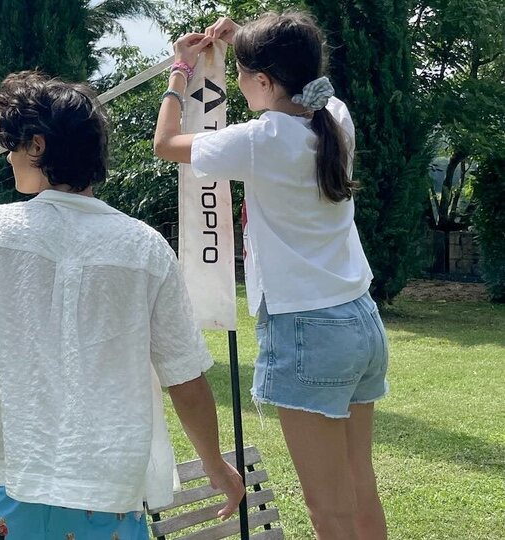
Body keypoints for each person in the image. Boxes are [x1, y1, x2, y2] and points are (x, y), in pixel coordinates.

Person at [0, 71, 245, 540]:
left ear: (37, 145)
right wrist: (216, 465)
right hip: (111, 495)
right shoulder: (147, 247)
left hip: (5, 488)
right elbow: (186, 378)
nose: (9, 157)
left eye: (13, 145)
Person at [153, 11, 389, 540]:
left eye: (242, 74)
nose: (237, 83)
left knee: (328, 509)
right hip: (361, 321)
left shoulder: (259, 141)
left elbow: (166, 145)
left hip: (308, 330)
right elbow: (295, 96)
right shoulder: (336, 118)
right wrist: (245, 44)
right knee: (359, 487)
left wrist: (180, 70)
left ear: (263, 81)